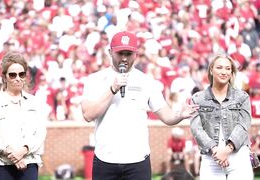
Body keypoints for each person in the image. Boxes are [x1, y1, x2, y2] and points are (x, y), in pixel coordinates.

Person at [81, 31, 198, 180]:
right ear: (110, 52)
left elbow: (166, 115)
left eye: (128, 54)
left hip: (137, 160)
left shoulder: (146, 81)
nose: (124, 58)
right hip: (105, 158)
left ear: (136, 54)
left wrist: (179, 115)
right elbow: (88, 114)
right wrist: (112, 89)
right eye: (120, 53)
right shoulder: (95, 79)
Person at [0, 52, 47, 180]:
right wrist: (11, 153)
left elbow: (40, 132)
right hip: (1, 164)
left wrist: (24, 150)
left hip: (29, 163)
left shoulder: (35, 102)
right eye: (12, 75)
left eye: (22, 74)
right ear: (4, 77)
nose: (18, 78)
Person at [190, 55, 253, 180]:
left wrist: (227, 150)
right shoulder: (198, 98)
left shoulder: (242, 97)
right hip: (211, 158)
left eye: (228, 69)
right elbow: (196, 129)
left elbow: (243, 125)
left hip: (238, 156)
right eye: (219, 68)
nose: (224, 72)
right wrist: (216, 150)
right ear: (211, 70)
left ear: (231, 73)